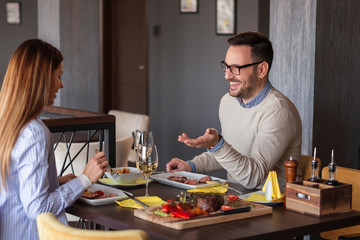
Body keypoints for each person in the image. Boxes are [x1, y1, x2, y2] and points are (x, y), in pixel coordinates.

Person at [0, 39, 108, 240]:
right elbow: (38, 208)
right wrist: (85, 179)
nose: (61, 84)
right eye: (58, 76)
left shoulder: (6, 122)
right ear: (40, 79)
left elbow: (14, 185)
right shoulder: (34, 132)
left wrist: (56, 183)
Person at [166, 31, 302, 190]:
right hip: (237, 198)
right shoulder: (228, 102)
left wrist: (217, 144)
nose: (227, 76)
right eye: (226, 67)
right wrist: (190, 166)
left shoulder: (278, 111)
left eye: (236, 68)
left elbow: (253, 177)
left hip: (273, 206)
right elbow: (230, 156)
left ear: (262, 70)